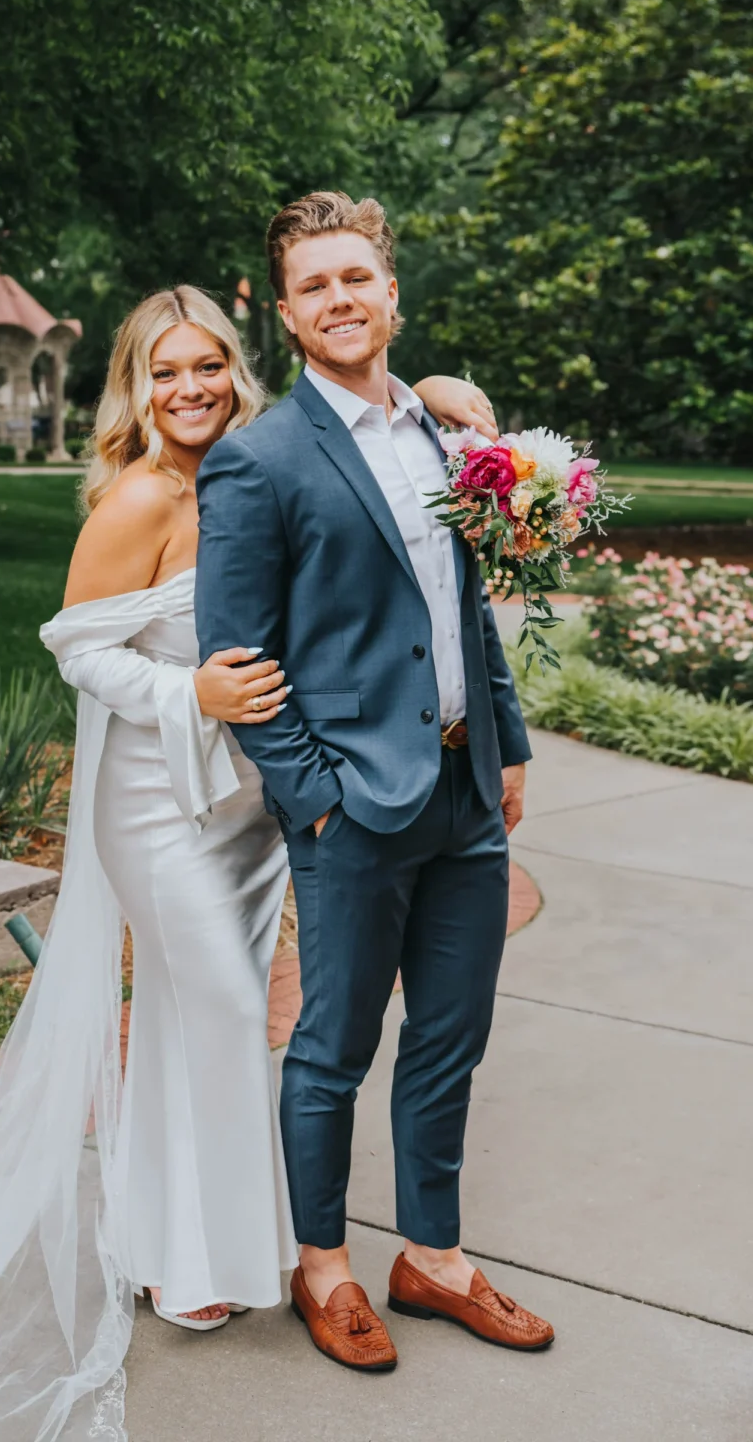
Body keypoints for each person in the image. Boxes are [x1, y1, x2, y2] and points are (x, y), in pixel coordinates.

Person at [0, 279, 499, 1440]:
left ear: (238, 371)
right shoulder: (136, 498)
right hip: (156, 806)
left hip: (249, 810)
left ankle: (168, 1239)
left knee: (199, 1027)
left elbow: (375, 434)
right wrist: (185, 688)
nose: (188, 390)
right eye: (163, 372)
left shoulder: (268, 463)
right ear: (135, 387)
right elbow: (77, 648)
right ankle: (236, 1256)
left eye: (206, 368)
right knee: (233, 1012)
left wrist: (444, 390)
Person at [194, 191, 555, 1374]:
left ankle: (434, 1260)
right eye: (315, 287)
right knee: (333, 1051)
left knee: (451, 1038)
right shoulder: (256, 463)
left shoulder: (449, 438)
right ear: (288, 318)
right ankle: (326, 1265)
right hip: (351, 804)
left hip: (464, 798)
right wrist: (313, 797)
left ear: (392, 294)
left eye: (357, 279)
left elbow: (463, 616)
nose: (340, 301)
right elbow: (238, 663)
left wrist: (501, 748)